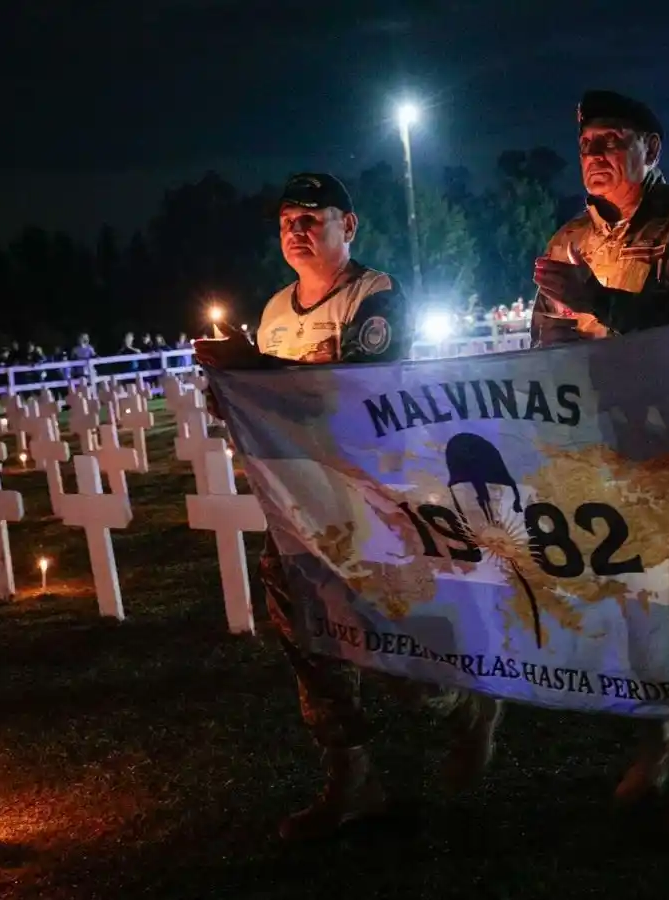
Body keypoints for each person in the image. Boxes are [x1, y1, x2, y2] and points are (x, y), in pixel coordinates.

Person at [191, 172, 503, 841]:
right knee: (310, 645)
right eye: (286, 222)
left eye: (312, 218)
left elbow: (360, 390)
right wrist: (231, 392)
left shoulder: (376, 294)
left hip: (370, 504)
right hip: (297, 507)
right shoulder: (276, 312)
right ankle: (351, 774)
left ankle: (460, 711)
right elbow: (274, 407)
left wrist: (258, 374)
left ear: (348, 227)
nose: (296, 231)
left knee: (390, 645)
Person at [529, 89, 669, 842]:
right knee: (630, 608)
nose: (595, 155)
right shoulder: (566, 244)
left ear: (652, 149)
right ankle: (654, 736)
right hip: (607, 453)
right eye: (587, 143)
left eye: (613, 141)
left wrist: (605, 304)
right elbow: (548, 355)